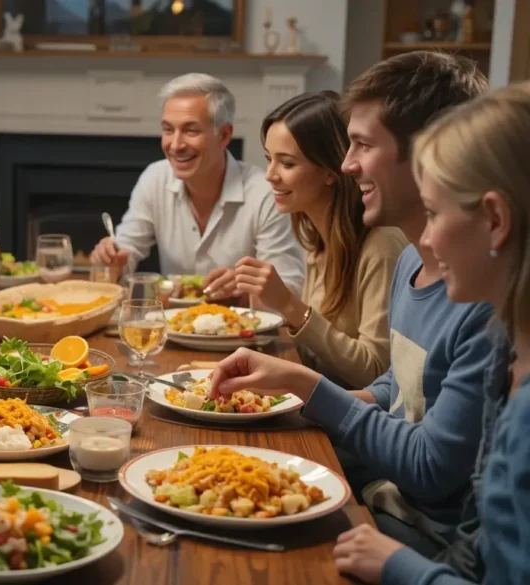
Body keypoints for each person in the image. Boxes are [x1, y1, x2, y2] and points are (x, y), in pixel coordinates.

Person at [206, 51, 500, 560]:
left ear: (431, 152)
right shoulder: (411, 261)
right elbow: (397, 383)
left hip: (426, 533)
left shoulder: (479, 301)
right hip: (390, 496)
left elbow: (432, 467)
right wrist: (291, 393)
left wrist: (307, 386)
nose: (346, 164)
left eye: (362, 144)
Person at [331, 82, 530, 585]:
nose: (428, 236)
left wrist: (404, 568)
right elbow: (479, 547)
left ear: (496, 220)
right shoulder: (511, 364)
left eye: (435, 212)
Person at [232, 92, 407, 388]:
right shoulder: (318, 240)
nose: (269, 175)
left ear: (329, 170)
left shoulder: (381, 246)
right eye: (268, 159)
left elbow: (375, 372)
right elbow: (318, 360)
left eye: (286, 163)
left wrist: (289, 305)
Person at [88, 72, 305, 297]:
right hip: (171, 325)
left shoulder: (265, 193)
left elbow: (290, 287)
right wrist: (112, 262)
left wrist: (243, 288)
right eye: (168, 130)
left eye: (191, 130)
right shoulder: (154, 178)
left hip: (243, 327)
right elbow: (126, 252)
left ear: (224, 135)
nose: (175, 145)